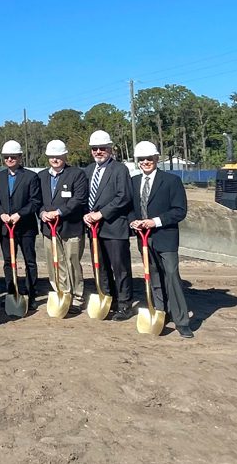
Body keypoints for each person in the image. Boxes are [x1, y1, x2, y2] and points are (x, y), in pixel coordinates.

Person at [129, 141, 193, 338]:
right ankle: (160, 311)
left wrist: (154, 222)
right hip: (144, 239)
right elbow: (130, 208)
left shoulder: (171, 181)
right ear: (138, 162)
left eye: (149, 158)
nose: (146, 162)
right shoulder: (134, 182)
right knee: (153, 276)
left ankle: (182, 321)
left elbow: (179, 211)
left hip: (165, 237)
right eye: (142, 159)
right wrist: (133, 222)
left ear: (157, 159)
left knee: (172, 275)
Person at [83, 130, 134, 321]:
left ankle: (125, 305)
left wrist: (101, 214)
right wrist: (86, 215)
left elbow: (124, 197)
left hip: (114, 227)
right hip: (94, 229)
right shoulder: (88, 171)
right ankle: (107, 298)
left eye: (102, 148)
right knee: (101, 267)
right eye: (94, 148)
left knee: (120, 268)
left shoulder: (120, 169)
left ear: (110, 149)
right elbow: (83, 197)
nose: (98, 151)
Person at [38, 140, 89, 314]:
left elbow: (79, 199)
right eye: (52, 156)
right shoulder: (42, 176)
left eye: (58, 156)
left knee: (72, 261)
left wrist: (59, 212)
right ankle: (61, 292)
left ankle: (77, 297)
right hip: (49, 228)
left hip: (71, 226)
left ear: (65, 156)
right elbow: (37, 200)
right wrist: (42, 213)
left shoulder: (76, 174)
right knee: (54, 262)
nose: (55, 159)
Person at [0, 140, 42, 310]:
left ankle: (31, 293)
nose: (9, 159)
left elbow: (35, 202)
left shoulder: (31, 177)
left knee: (29, 261)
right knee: (8, 261)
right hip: (6, 227)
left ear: (20, 157)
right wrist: (2, 214)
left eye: (13, 157)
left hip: (26, 226)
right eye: (6, 157)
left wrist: (19, 214)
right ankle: (11, 292)